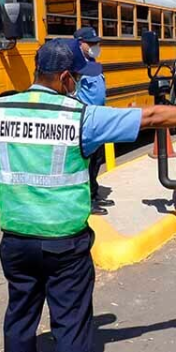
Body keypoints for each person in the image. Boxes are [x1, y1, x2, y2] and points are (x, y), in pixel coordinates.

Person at [0, 39, 176, 352]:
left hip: (16, 241)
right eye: (77, 77)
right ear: (64, 78)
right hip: (65, 245)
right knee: (71, 324)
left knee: (20, 318)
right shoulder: (81, 117)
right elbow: (151, 117)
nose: (78, 83)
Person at [68, 27, 110, 214]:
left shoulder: (92, 63)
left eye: (96, 43)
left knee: (97, 159)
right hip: (85, 119)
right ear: (80, 43)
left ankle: (93, 192)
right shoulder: (75, 66)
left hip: (98, 118)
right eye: (91, 43)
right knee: (87, 161)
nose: (95, 46)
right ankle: (86, 201)